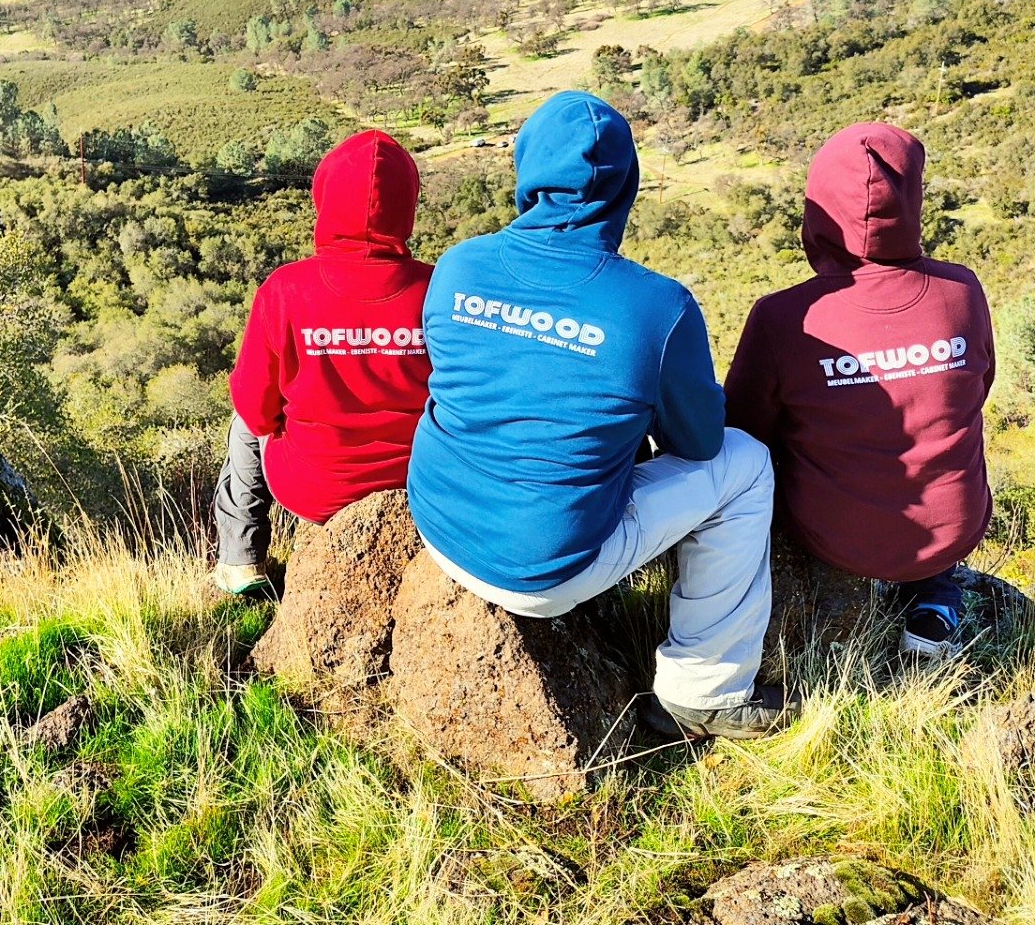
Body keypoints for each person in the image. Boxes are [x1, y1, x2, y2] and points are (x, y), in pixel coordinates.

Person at [407, 91, 794, 740]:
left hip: (442, 526)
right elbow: (700, 444)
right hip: (548, 570)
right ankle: (704, 691)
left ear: (526, 172)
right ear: (626, 188)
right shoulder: (657, 307)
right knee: (747, 463)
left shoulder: (457, 266)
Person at [725, 122, 995, 658]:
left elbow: (742, 428)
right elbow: (979, 385)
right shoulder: (961, 291)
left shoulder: (785, 317)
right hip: (954, 527)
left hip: (835, 539)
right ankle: (936, 596)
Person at [212, 129, 434, 594]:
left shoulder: (286, 289)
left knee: (242, 423)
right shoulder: (440, 290)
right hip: (421, 489)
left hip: (313, 489)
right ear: (407, 206)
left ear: (325, 197)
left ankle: (240, 560)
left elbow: (256, 410)